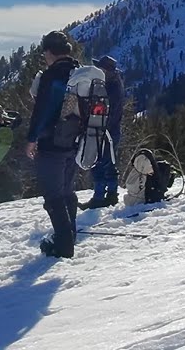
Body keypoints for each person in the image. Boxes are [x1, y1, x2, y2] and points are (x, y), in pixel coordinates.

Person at [26, 31, 81, 259]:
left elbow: (42, 111)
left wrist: (31, 139)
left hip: (52, 143)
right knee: (67, 192)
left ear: (49, 52)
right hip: (75, 141)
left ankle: (64, 246)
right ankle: (69, 237)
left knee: (54, 197)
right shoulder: (80, 73)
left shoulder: (52, 76)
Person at [81, 55, 125, 209]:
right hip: (109, 130)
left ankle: (100, 197)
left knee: (99, 162)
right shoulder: (113, 84)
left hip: (106, 130)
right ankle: (111, 195)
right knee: (109, 162)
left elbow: (108, 111)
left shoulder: (111, 89)